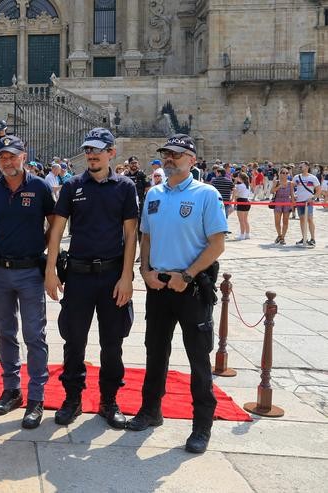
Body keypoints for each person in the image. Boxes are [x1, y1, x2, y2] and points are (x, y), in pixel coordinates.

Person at [127, 134, 227, 455]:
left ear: (192, 160)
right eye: (166, 154)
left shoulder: (206, 194)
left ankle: (201, 425)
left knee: (198, 359)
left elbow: (217, 245)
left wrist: (188, 275)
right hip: (159, 286)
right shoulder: (154, 193)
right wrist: (145, 271)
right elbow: (146, 236)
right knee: (155, 352)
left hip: (191, 288)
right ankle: (150, 410)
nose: (169, 159)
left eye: (177, 154)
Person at [45, 127, 137, 429]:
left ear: (111, 152)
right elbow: (57, 230)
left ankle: (109, 400)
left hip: (112, 275)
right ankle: (72, 398)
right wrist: (50, 271)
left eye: (98, 150)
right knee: (74, 340)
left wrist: (127, 277)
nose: (91, 155)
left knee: (113, 342)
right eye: (88, 150)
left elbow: (130, 234)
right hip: (79, 275)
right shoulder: (73, 186)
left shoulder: (124, 187)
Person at [0, 135, 54, 429]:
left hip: (30, 270)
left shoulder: (39, 187)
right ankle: (11, 389)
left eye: (12, 156)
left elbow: (54, 223)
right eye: (3, 157)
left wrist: (41, 248)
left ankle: (36, 397)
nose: (8, 161)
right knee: (5, 332)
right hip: (0, 270)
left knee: (34, 334)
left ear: (24, 156)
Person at [292, 161, 321, 247]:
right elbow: (292, 187)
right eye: (300, 165)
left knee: (309, 219)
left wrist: (313, 198)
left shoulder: (313, 178)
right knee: (301, 219)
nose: (300, 167)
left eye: (303, 165)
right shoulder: (296, 177)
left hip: (308, 202)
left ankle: (313, 238)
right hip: (299, 201)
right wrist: (293, 196)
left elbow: (318, 190)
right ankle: (304, 237)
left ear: (307, 167)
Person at [271, 167, 295, 245]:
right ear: (280, 174)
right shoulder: (276, 182)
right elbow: (272, 191)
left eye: (286, 173)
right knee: (277, 221)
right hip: (278, 201)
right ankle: (279, 235)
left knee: (285, 221)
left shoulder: (290, 183)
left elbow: (292, 194)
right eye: (283, 173)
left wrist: (293, 204)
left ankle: (283, 237)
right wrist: (279, 186)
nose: (285, 174)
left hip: (287, 202)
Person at [234, 172, 251, 240]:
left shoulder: (239, 186)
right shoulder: (247, 186)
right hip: (247, 201)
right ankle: (247, 234)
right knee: (245, 220)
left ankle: (242, 235)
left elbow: (236, 195)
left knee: (241, 220)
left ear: (240, 178)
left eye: (238, 177)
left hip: (241, 201)